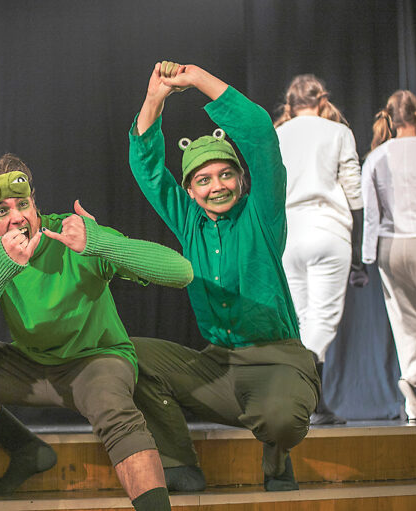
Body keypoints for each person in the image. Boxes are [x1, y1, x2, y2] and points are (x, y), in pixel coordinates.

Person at [0, 154, 194, 511]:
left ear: (34, 202)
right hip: (30, 366)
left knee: (114, 409)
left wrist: (100, 243)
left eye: (22, 204)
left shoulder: (72, 233)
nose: (17, 217)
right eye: (0, 211)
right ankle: (26, 448)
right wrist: (1, 268)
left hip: (96, 359)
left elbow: (181, 273)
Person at [127, 61, 320, 493]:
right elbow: (147, 167)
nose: (217, 186)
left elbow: (259, 133)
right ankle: (180, 464)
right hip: (218, 366)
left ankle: (277, 458)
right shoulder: (189, 222)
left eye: (225, 174)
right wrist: (155, 98)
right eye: (203, 179)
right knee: (126, 355)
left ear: (240, 178)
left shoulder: (262, 214)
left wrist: (197, 79)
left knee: (282, 419)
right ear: (190, 190)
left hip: (277, 361)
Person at [274, 74, 366, 425]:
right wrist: (358, 251)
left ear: (290, 103)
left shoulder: (278, 134)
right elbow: (354, 191)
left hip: (289, 233)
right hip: (328, 229)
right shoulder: (338, 132)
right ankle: (305, 393)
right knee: (322, 321)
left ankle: (314, 404)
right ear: (322, 100)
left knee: (301, 319)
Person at [362, 90, 416, 422]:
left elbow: (372, 214)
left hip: (392, 246)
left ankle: (414, 397)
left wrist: (366, 257)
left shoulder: (377, 156)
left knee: (405, 322)